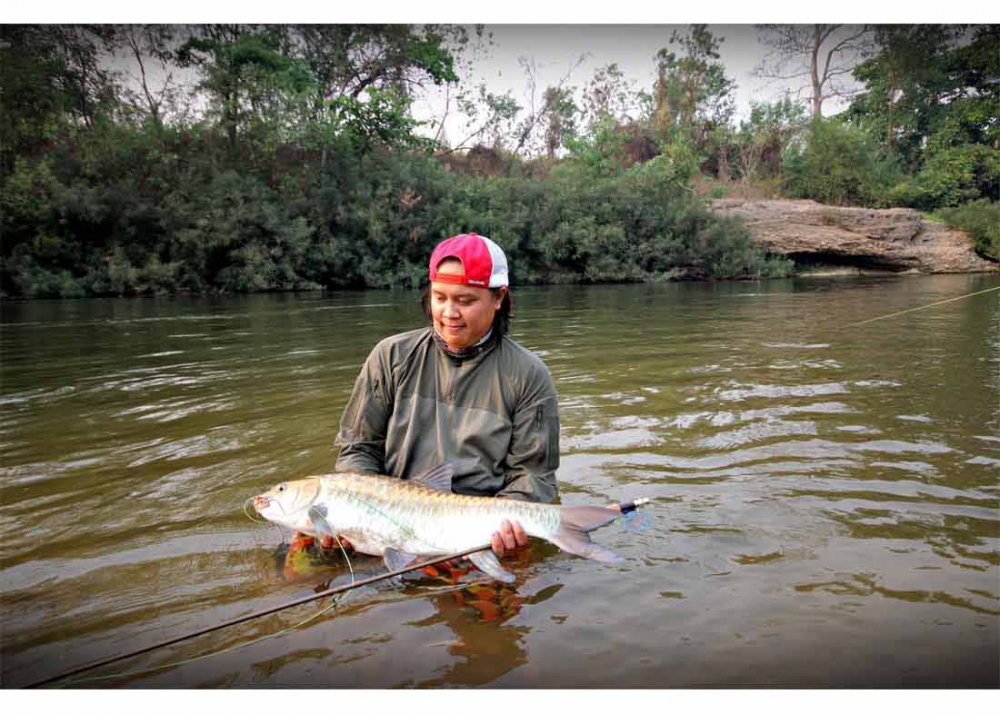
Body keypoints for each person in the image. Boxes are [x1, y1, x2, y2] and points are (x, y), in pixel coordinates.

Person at [331, 232, 561, 560]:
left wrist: (507, 521)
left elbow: (534, 478)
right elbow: (358, 449)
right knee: (295, 572)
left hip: (478, 534)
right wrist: (356, 515)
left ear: (499, 298)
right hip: (388, 522)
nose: (449, 313)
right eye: (440, 297)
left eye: (465, 301)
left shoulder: (528, 375)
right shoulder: (390, 356)